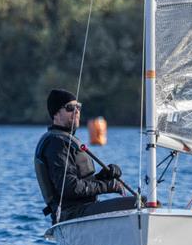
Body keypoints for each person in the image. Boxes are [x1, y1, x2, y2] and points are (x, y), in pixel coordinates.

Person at [34, 89, 138, 224]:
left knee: (146, 203)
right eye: (70, 108)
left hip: (84, 210)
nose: (76, 111)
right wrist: (107, 186)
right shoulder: (56, 143)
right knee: (140, 204)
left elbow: (80, 182)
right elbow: (70, 188)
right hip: (72, 215)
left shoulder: (65, 140)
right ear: (56, 113)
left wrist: (103, 176)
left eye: (78, 107)